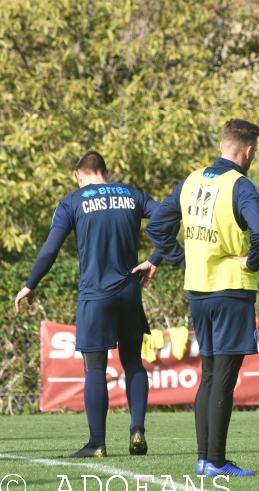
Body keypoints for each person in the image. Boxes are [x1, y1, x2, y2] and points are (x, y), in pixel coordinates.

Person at [14, 151, 161, 458]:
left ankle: (97, 443)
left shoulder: (73, 201)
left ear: (79, 176)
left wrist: (30, 285)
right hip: (129, 291)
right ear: (105, 172)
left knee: (95, 367)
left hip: (95, 296)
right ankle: (136, 430)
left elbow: (50, 249)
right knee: (133, 361)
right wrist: (154, 258)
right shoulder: (131, 194)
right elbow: (168, 218)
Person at [146, 119, 259, 477]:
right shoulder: (241, 185)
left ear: (222, 146)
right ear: (247, 151)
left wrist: (182, 258)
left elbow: (156, 226)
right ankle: (215, 461)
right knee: (224, 380)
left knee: (209, 375)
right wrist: (253, 261)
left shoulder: (192, 180)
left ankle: (205, 459)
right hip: (231, 289)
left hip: (198, 290)